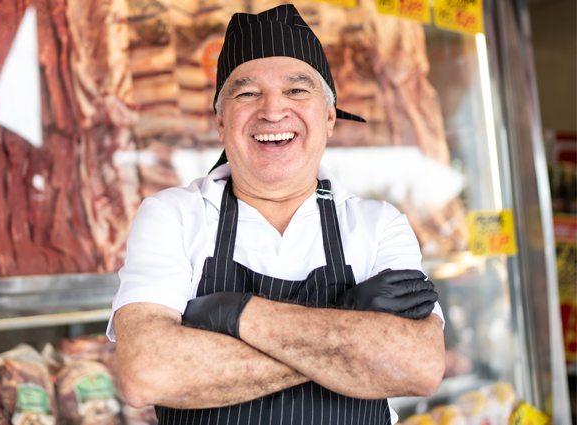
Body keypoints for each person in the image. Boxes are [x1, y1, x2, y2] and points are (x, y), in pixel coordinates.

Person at [107, 4, 446, 425]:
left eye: (297, 91)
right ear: (221, 122)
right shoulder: (172, 215)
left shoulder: (378, 224)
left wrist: (237, 314)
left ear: (328, 117)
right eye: (247, 93)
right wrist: (350, 336)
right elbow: (148, 372)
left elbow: (421, 366)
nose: (272, 110)